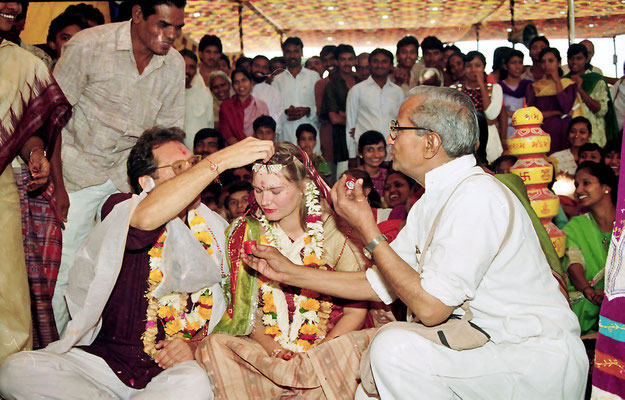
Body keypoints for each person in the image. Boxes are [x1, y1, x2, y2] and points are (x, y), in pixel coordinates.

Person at [242, 86, 587, 399]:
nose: (390, 140)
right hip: (488, 349)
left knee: (392, 350)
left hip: (527, 355)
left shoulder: (477, 195)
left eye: (397, 129)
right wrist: (289, 273)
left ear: (430, 143)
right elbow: (380, 283)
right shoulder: (434, 198)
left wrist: (367, 228)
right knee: (370, 386)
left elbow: (431, 308)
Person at [0, 129, 275, 399]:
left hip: (167, 374)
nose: (193, 173)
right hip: (104, 364)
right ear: (145, 182)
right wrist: (221, 161)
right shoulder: (121, 207)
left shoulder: (215, 228)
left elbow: (231, 311)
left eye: (193, 164)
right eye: (179, 166)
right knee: (16, 371)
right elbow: (146, 219)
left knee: (196, 384)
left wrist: (195, 344)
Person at [52, 0, 187, 336]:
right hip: (74, 176)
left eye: (177, 28)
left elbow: (168, 137)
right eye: (163, 24)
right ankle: (53, 352)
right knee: (64, 269)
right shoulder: (88, 47)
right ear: (138, 15)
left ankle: (92, 350)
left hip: (126, 184)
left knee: (112, 271)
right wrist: (56, 186)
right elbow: (49, 120)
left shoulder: (173, 65)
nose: (170, 35)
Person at [196, 141, 370, 399]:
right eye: (257, 190)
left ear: (304, 187)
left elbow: (356, 309)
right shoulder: (246, 232)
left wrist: (316, 352)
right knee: (214, 346)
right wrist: (275, 350)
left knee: (356, 351)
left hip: (328, 347)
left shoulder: (337, 231)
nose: (265, 200)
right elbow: (245, 308)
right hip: (267, 347)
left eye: (276, 191)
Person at [0, 0, 71, 362]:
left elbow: (30, 125)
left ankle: (9, 374)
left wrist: (34, 154)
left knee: (9, 293)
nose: (12, 6)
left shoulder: (23, 63)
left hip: (2, 193)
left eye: (20, 0)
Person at [563, 161, 617, 336]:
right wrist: (589, 291)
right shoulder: (576, 227)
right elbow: (574, 263)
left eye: (586, 183)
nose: (579, 190)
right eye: (577, 185)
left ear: (606, 187)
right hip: (589, 301)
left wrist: (611, 295)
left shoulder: (622, 224)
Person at [346, 48, 404, 169]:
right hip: (365, 154)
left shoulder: (398, 92)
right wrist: (352, 156)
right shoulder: (357, 90)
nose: (379, 65)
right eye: (376, 61)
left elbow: (401, 124)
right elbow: (350, 125)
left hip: (391, 154)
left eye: (384, 61)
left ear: (391, 66)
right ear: (370, 64)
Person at [526, 47, 582, 154]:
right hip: (543, 133)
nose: (547, 64)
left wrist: (557, 81)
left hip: (564, 132)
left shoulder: (568, 84)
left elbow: (566, 108)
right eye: (543, 61)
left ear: (559, 63)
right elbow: (532, 115)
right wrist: (556, 112)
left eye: (551, 61)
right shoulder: (535, 86)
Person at [272, 37, 321, 151]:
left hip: (311, 133)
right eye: (288, 52)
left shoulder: (313, 76)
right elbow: (274, 109)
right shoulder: (277, 80)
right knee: (290, 167)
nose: (292, 55)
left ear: (301, 52)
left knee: (313, 167)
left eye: (296, 51)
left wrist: (308, 110)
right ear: (283, 54)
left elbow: (320, 106)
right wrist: (286, 112)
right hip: (287, 133)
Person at [565, 43, 617, 147]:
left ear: (586, 59)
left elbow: (601, 110)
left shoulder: (596, 80)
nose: (574, 62)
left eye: (579, 58)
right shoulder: (564, 81)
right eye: (571, 58)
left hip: (595, 135)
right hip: (572, 137)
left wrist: (580, 89)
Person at [322, 44, 359, 179]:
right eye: (343, 59)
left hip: (363, 140)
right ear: (337, 62)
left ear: (355, 61)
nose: (347, 63)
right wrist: (357, 122)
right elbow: (334, 118)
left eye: (350, 59)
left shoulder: (361, 82)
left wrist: (346, 117)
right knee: (344, 180)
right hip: (341, 142)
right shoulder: (332, 85)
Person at [460, 51, 504, 162]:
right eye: (469, 66)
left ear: (484, 67)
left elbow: (491, 115)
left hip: (490, 139)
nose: (473, 69)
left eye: (477, 65)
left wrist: (481, 84)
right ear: (464, 69)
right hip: (464, 138)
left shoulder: (495, 88)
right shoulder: (456, 89)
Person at [219, 68, 269, 145]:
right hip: (233, 150)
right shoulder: (226, 106)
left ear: (251, 82)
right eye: (236, 82)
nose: (241, 85)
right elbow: (227, 135)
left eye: (244, 80)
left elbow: (265, 131)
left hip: (257, 148)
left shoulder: (261, 105)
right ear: (232, 86)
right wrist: (243, 149)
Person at [181, 49, 214, 150]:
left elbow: (210, 128)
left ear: (196, 69)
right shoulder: (166, 94)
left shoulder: (205, 94)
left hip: (197, 155)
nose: (187, 71)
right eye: (183, 66)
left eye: (191, 67)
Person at [499, 49, 532, 138]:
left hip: (524, 131)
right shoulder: (499, 87)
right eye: (513, 63)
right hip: (504, 131)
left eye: (520, 62)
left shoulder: (527, 86)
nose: (517, 66)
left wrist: (512, 113)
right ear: (506, 66)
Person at [251, 55, 283, 135]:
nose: (260, 70)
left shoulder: (273, 92)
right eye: (257, 66)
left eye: (264, 67)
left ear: (268, 71)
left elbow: (276, 121)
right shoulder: (241, 89)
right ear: (250, 67)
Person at [357, 131, 388, 199]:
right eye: (370, 150)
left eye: (380, 149)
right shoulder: (354, 176)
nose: (376, 155)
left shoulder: (389, 175)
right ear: (360, 153)